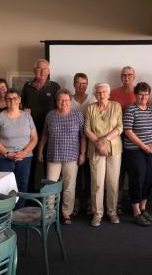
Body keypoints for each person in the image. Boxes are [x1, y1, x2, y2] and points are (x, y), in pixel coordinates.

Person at [38, 88, 86, 225]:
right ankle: (49, 213)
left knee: (69, 187)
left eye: (66, 100)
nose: (63, 102)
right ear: (56, 101)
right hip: (53, 156)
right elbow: (44, 135)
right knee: (50, 186)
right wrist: (40, 151)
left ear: (70, 101)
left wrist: (82, 153)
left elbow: (83, 136)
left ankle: (66, 214)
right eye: (60, 100)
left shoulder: (78, 115)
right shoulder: (50, 115)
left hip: (72, 156)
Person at [0, 88, 37, 208]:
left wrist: (23, 153)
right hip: (3, 157)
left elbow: (34, 138)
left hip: (25, 157)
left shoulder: (27, 116)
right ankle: (5, 214)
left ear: (19, 100)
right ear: (5, 101)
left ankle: (18, 212)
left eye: (15, 98)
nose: (12, 101)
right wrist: (6, 153)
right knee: (5, 187)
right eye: (9, 99)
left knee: (22, 185)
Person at [85, 83, 123, 227]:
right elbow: (87, 129)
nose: (101, 95)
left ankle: (112, 212)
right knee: (97, 183)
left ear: (109, 93)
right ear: (95, 94)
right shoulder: (90, 108)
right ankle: (97, 213)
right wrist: (99, 143)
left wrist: (105, 140)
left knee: (113, 183)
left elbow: (120, 127)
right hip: (95, 148)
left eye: (104, 92)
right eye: (98, 92)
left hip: (114, 148)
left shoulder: (116, 106)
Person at [21, 58, 60, 191]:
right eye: (39, 68)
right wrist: (24, 110)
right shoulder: (27, 86)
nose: (43, 72)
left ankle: (47, 196)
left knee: (49, 165)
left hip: (50, 132)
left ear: (49, 71)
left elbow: (59, 108)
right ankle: (30, 196)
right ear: (34, 70)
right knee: (30, 164)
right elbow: (22, 107)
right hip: (30, 132)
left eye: (45, 69)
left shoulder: (55, 87)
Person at [123, 82, 152, 226]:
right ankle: (136, 211)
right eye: (140, 94)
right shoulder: (130, 109)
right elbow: (128, 131)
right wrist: (144, 146)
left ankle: (143, 207)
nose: (144, 97)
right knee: (138, 178)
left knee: (148, 179)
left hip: (150, 149)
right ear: (135, 95)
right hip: (135, 150)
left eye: (146, 94)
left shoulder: (151, 109)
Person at [110, 66, 136, 214]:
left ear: (134, 76)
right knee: (118, 173)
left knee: (133, 173)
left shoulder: (139, 92)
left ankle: (134, 203)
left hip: (135, 140)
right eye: (124, 75)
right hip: (117, 138)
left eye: (129, 74)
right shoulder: (113, 93)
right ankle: (116, 202)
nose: (126, 77)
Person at [71, 73, 93, 216]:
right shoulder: (69, 100)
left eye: (84, 83)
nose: (82, 86)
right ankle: (76, 202)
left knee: (90, 174)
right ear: (74, 84)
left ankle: (91, 203)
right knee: (76, 175)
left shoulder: (93, 99)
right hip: (72, 143)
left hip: (91, 141)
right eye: (79, 83)